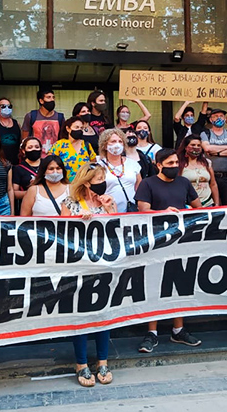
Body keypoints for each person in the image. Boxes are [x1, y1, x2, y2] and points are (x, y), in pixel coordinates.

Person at [135, 149, 203, 352]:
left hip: (180, 241)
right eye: (170, 163)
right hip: (155, 242)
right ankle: (152, 332)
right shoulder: (148, 184)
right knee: (155, 285)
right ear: (159, 164)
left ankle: (178, 329)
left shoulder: (183, 183)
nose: (174, 166)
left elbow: (198, 207)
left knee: (179, 283)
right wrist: (163, 213)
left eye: (176, 163)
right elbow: (142, 211)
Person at [60, 163, 117, 386]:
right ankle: (81, 364)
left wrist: (111, 210)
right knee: (81, 315)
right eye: (99, 179)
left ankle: (102, 361)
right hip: (79, 268)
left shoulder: (107, 201)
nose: (103, 183)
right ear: (86, 182)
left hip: (103, 267)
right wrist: (76, 220)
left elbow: (118, 232)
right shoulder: (70, 204)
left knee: (104, 314)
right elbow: (61, 234)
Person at [97, 128, 142, 213]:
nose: (117, 144)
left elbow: (139, 187)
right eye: (113, 141)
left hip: (130, 212)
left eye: (120, 141)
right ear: (105, 146)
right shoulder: (99, 166)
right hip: (107, 211)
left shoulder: (133, 164)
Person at [201, 108, 227, 206]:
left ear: (225, 119)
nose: (219, 118)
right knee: (213, 205)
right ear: (211, 120)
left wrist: (217, 153)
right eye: (216, 116)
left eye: (221, 116)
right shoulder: (206, 134)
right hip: (210, 176)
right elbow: (207, 148)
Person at [50, 116, 97, 182]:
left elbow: (93, 164)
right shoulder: (59, 145)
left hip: (83, 185)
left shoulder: (86, 145)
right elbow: (49, 163)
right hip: (64, 185)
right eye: (76, 127)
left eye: (81, 128)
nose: (79, 130)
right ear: (68, 129)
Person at [178, 134, 220, 207]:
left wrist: (216, 204)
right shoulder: (179, 164)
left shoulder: (207, 163)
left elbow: (213, 184)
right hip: (189, 206)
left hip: (208, 204)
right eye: (193, 145)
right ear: (185, 147)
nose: (196, 147)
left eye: (198, 145)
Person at [22, 89, 65, 157]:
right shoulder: (31, 116)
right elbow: (24, 139)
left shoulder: (60, 117)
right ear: (41, 101)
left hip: (54, 156)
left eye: (53, 97)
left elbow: (63, 138)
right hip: (36, 156)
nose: (52, 100)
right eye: (48, 97)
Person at [0, 97, 21, 165]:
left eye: (9, 106)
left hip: (15, 160)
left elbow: (20, 141)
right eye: (3, 106)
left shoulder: (16, 123)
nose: (7, 108)